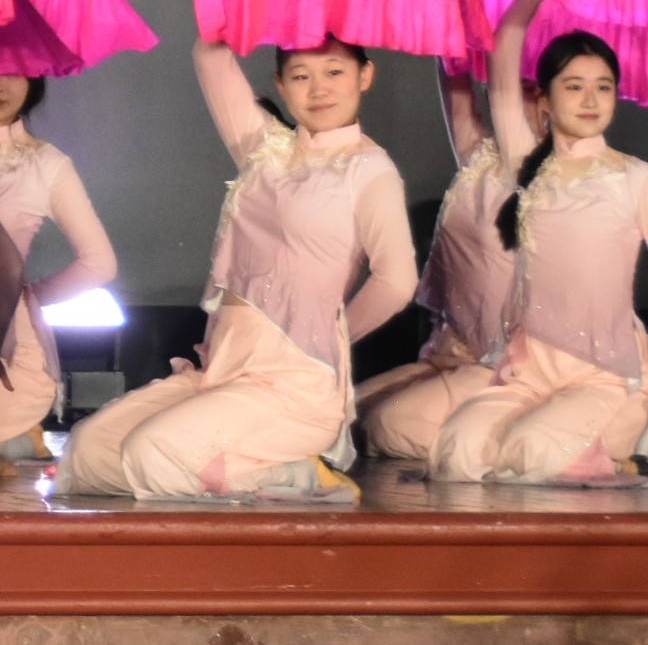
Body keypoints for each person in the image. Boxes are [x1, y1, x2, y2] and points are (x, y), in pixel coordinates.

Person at [58, 37, 413, 501]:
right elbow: (209, 55)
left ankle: (294, 476)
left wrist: (330, 337)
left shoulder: (370, 169)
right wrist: (264, 1)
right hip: (224, 367)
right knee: (90, 451)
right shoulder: (265, 149)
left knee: (153, 453)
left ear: (364, 76)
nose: (318, 89)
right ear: (280, 86)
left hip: (293, 385)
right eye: (300, 76)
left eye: (334, 72)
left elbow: (396, 281)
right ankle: (243, 475)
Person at [430, 0, 648, 484]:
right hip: (528, 373)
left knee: (530, 453)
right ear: (545, 98)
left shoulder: (636, 178)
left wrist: (642, 366)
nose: (591, 99)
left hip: (604, 376)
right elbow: (504, 54)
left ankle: (611, 447)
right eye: (574, 86)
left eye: (603, 87)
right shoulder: (526, 167)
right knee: (456, 450)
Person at [0, 71, 116, 464]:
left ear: (34, 81)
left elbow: (99, 263)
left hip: (1, 346)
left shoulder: (46, 164)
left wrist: (26, 295)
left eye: (14, 73)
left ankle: (11, 440)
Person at [354, 61, 523, 459]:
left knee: (386, 424)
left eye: (530, 89)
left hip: (509, 368)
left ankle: (533, 445)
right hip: (455, 357)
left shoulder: (549, 178)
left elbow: (506, 95)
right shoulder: (481, 159)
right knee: (342, 414)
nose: (514, 98)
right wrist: (453, 30)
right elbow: (456, 86)